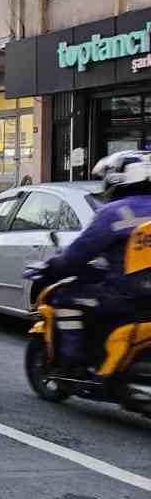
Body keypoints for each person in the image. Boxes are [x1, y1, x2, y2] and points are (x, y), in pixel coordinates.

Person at [28, 150, 151, 373]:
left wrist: (53, 268)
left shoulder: (114, 212)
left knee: (65, 298)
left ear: (117, 179)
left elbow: (77, 255)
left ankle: (73, 362)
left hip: (126, 296)